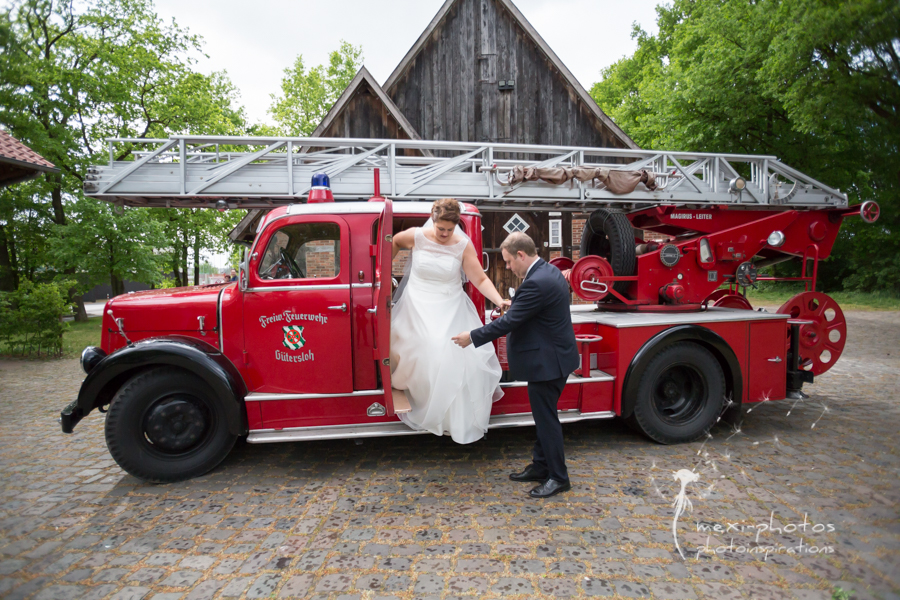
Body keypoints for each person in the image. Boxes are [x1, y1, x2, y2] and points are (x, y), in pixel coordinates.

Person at [452, 232, 579, 498]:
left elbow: (509, 323)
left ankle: (558, 477)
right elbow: (532, 310)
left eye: (509, 261)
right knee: (544, 416)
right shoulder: (547, 271)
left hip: (548, 363)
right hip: (554, 358)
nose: (508, 267)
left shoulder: (537, 282)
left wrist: (472, 337)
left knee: (546, 421)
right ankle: (541, 466)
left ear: (521, 255)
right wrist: (517, 304)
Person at [390, 198, 510, 444]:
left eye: (449, 229)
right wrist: (381, 271)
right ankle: (423, 403)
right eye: (440, 228)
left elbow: (480, 279)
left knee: (450, 355)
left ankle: (449, 419)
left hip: (450, 304)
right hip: (417, 303)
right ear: (432, 221)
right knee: (424, 349)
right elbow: (394, 242)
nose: (444, 234)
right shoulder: (416, 236)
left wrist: (499, 300)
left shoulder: (463, 246)